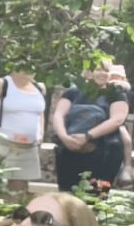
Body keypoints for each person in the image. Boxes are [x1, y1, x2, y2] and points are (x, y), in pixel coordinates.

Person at [52, 62, 129, 194]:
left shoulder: (117, 94)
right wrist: (64, 138)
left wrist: (88, 136)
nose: (103, 73)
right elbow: (59, 114)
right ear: (88, 73)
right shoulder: (72, 93)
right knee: (67, 196)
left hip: (104, 152)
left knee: (96, 195)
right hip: (69, 149)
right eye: (99, 69)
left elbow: (117, 119)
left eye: (106, 70)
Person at [0, 72, 47, 190]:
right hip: (1, 145)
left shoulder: (39, 88)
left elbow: (39, 112)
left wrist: (40, 133)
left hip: (27, 148)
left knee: (19, 194)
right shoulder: (2, 84)